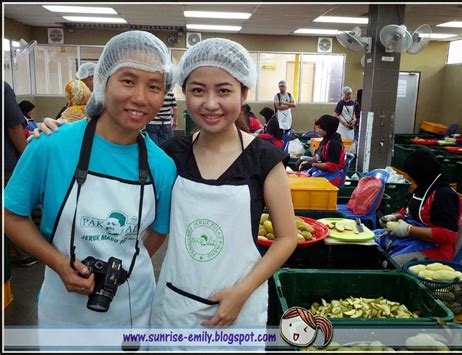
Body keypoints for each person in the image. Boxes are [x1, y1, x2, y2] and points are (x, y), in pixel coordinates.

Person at [4, 31, 176, 348]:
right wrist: (58, 262)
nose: (141, 97)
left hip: (133, 309)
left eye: (154, 86)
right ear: (102, 81)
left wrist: (124, 264)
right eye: (128, 81)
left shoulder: (163, 166)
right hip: (63, 312)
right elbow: (11, 214)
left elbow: (158, 232)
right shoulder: (52, 145)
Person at [150, 38, 297, 334]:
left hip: (238, 307)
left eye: (224, 91)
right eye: (198, 91)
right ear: (185, 94)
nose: (210, 103)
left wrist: (241, 292)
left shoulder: (264, 159)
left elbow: (287, 238)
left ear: (244, 93)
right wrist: (60, 133)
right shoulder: (170, 153)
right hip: (176, 303)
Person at [375, 149, 462, 265]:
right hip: (413, 240)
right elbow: (409, 210)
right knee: (371, 243)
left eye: (412, 175)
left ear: (420, 173)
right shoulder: (423, 186)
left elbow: (449, 235)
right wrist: (394, 216)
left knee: (391, 263)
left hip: (435, 251)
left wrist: (409, 230)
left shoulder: (443, 195)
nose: (411, 179)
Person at [4, 81, 39, 267]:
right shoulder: (3, 88)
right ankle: (25, 252)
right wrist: (28, 159)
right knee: (15, 208)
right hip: (6, 163)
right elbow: (14, 127)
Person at [297, 114, 346, 187]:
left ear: (327, 128)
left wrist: (314, 164)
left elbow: (332, 166)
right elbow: (318, 156)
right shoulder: (325, 140)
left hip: (332, 177)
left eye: (320, 128)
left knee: (306, 183)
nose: (318, 130)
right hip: (323, 172)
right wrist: (308, 161)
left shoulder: (334, 144)